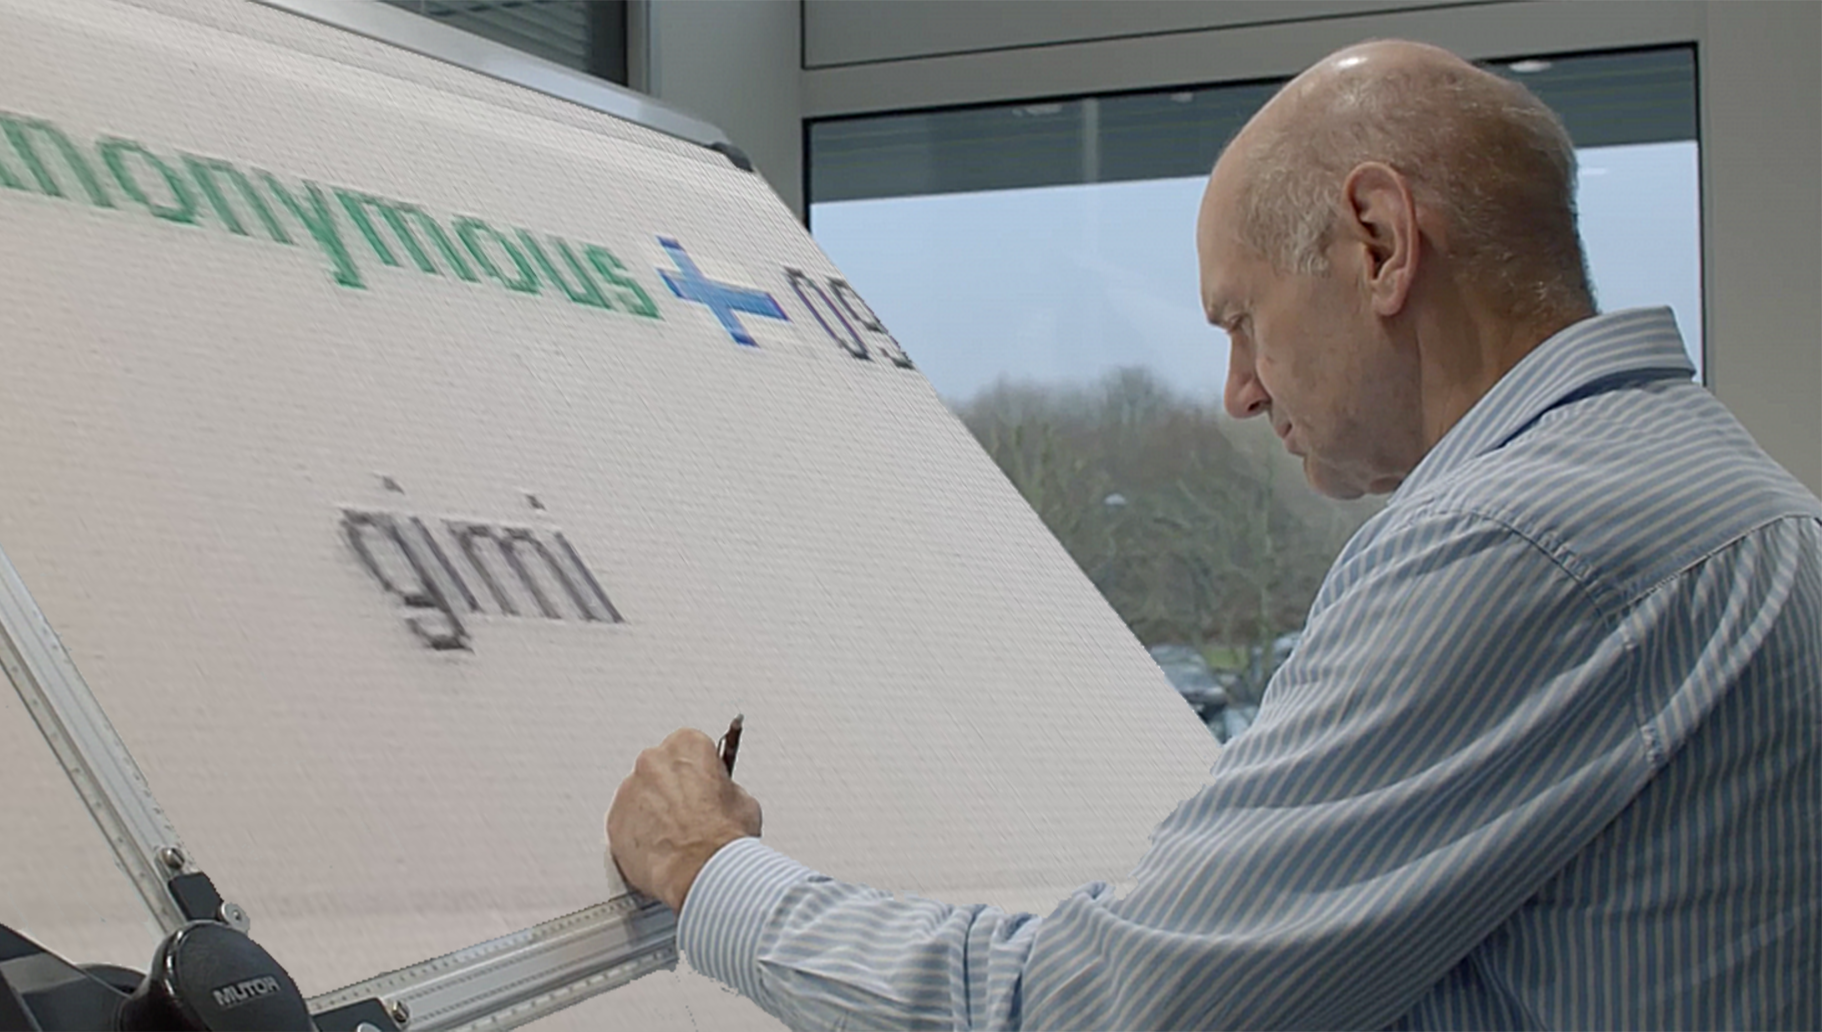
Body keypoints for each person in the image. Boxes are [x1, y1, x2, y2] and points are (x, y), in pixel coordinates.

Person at [605, 39, 1821, 1031]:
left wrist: (711, 872)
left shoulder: (1517, 545)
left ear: (1380, 243)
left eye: (1243, 321)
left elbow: (1102, 1013)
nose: (1240, 391)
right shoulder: (1741, 504)